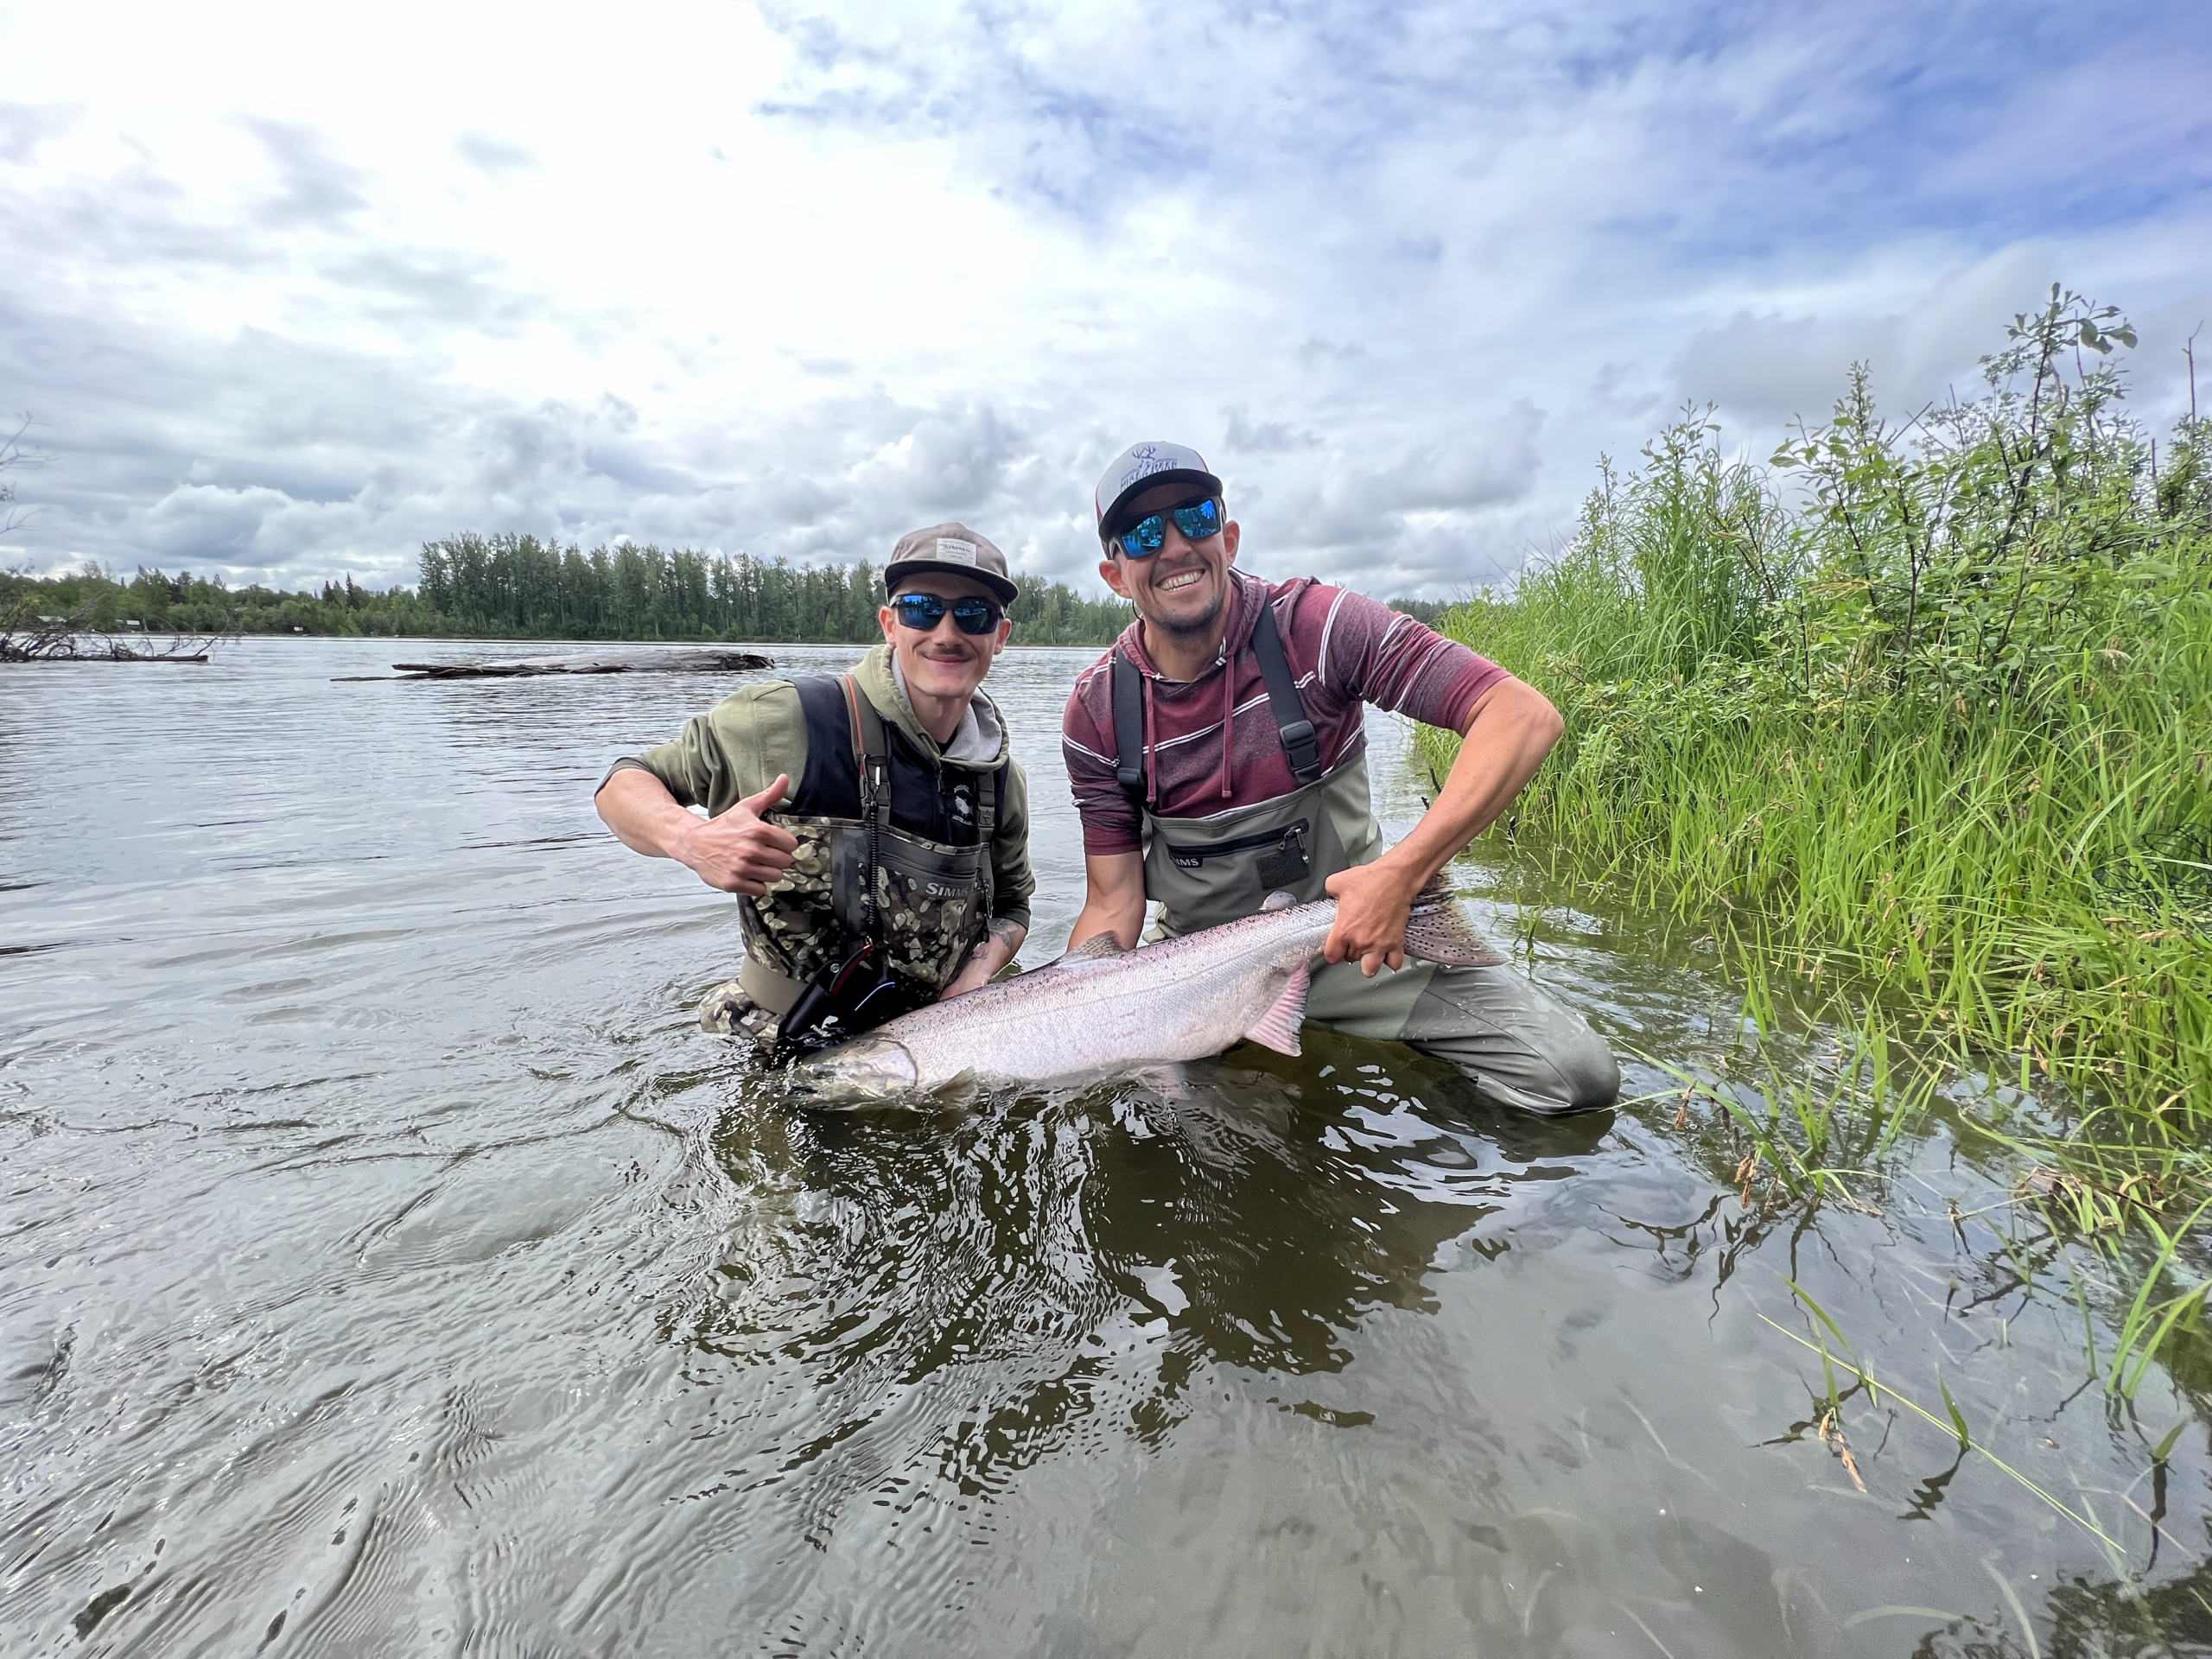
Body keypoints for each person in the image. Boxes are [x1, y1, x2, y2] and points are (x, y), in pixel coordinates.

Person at [1061, 442, 1618, 1115]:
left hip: (1358, 944)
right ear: (1115, 574)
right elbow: (1113, 904)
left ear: (1228, 538)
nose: (1175, 546)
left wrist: (1401, 875)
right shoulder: (1097, 711)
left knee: (1576, 1078)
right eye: (1144, 534)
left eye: (1196, 517)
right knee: (1149, 1130)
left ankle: (1430, 1111)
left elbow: (1521, 716)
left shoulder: (1318, 628)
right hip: (1197, 975)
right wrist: (1072, 1018)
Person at [596, 523, 1033, 1048]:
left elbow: (1013, 905)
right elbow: (623, 783)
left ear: (1000, 637)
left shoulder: (1000, 778)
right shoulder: (785, 720)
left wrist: (979, 972)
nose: (946, 633)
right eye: (922, 608)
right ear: (890, 624)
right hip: (779, 1038)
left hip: (940, 1040)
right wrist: (689, 840)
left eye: (973, 614)